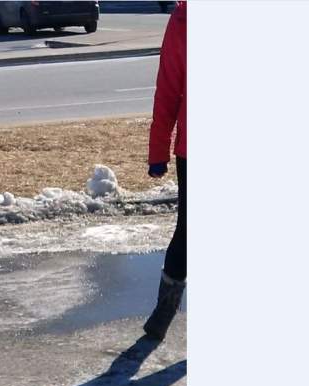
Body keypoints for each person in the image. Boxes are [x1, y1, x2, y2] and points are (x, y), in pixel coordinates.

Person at [144, 0, 186, 340]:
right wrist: (158, 150)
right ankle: (164, 312)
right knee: (189, 232)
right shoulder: (185, 20)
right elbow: (168, 89)